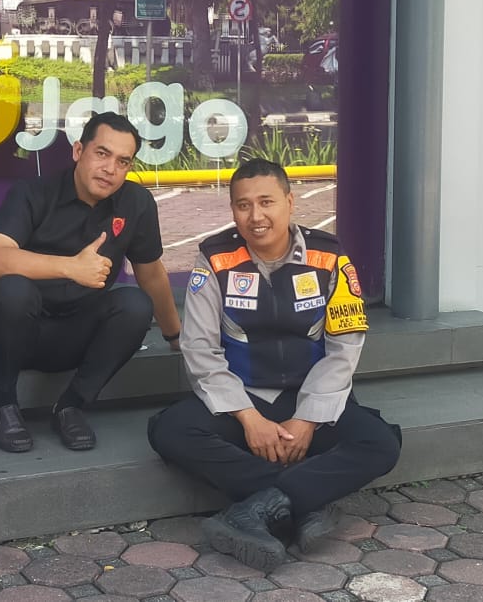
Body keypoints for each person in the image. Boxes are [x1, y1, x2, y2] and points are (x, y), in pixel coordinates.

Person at [147, 158, 400, 570]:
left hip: (308, 399)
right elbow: (199, 348)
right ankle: (303, 502)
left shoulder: (330, 256)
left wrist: (308, 419)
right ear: (233, 210)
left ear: (290, 202)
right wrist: (249, 419)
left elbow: (344, 348)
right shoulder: (214, 258)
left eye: (266, 202)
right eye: (243, 205)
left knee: (381, 443)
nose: (256, 216)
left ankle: (256, 509)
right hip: (243, 400)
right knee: (170, 430)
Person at [0, 110, 182, 453]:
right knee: (13, 290)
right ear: (78, 151)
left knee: (134, 304)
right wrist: (70, 267)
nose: (110, 168)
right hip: (13, 336)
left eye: (122, 161)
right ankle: (5, 403)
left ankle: (71, 405)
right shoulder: (33, 192)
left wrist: (175, 337)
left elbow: (151, 274)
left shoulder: (136, 203)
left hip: (76, 336)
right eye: (102, 153)